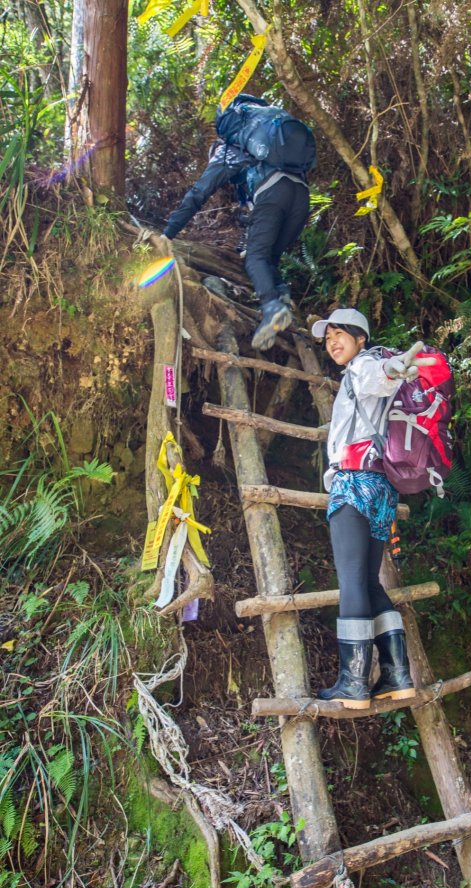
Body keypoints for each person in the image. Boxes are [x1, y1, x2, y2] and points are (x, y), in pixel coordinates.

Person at [311, 308, 434, 709]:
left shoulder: (364, 366)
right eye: (327, 337)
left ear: (361, 338)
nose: (332, 342)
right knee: (368, 582)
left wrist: (396, 367)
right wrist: (395, 368)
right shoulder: (364, 368)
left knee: (350, 581)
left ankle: (354, 682)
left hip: (353, 483)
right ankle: (397, 676)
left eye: (340, 334)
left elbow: (380, 375)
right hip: (381, 488)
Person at [160, 95, 311, 351]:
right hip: (302, 195)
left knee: (255, 258)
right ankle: (282, 295)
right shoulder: (266, 138)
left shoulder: (229, 150)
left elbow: (198, 193)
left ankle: (272, 307)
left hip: (274, 192)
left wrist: (168, 233)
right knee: (268, 256)